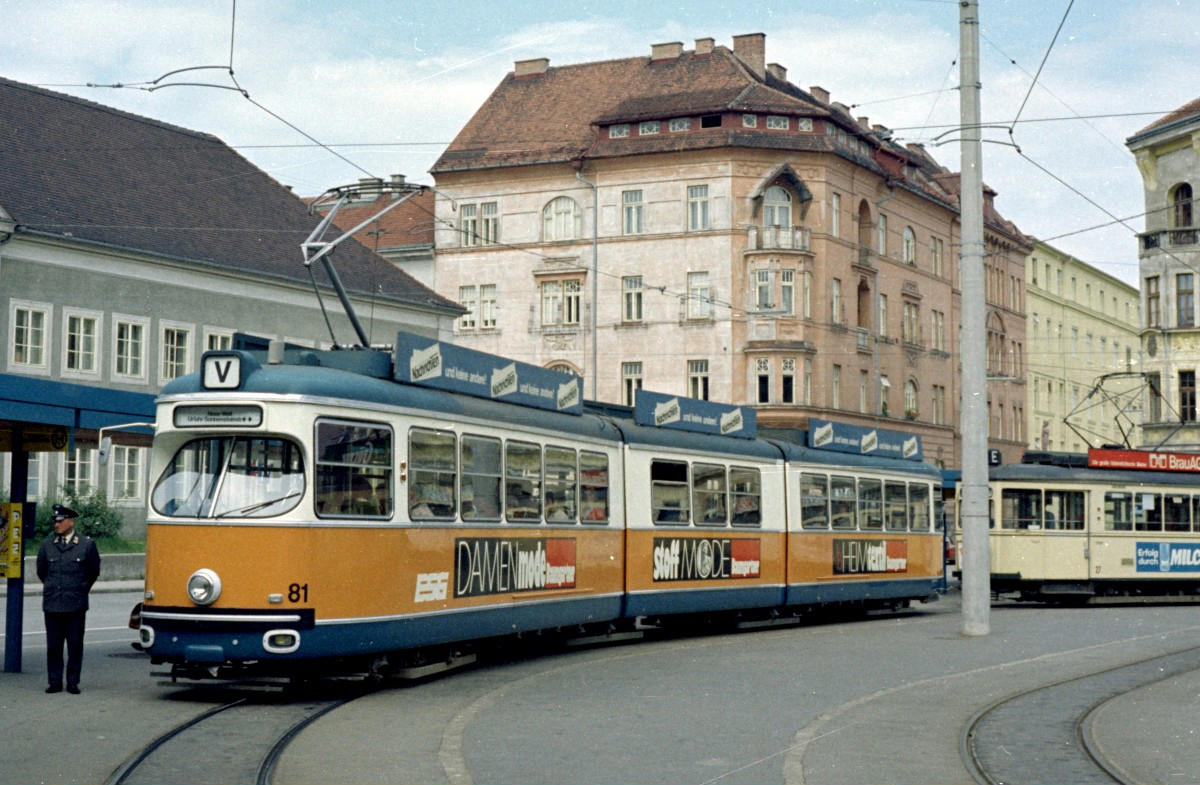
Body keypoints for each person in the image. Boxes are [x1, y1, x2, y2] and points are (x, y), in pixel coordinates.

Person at [36, 504, 101, 695]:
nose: (57, 524)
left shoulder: (86, 545)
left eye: (60, 521)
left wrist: (79, 589)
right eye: (55, 521)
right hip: (53, 603)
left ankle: (73, 682)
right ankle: (54, 682)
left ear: (71, 522)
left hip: (75, 604)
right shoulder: (47, 545)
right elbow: (42, 572)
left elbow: (93, 572)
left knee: (75, 645)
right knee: (53, 646)